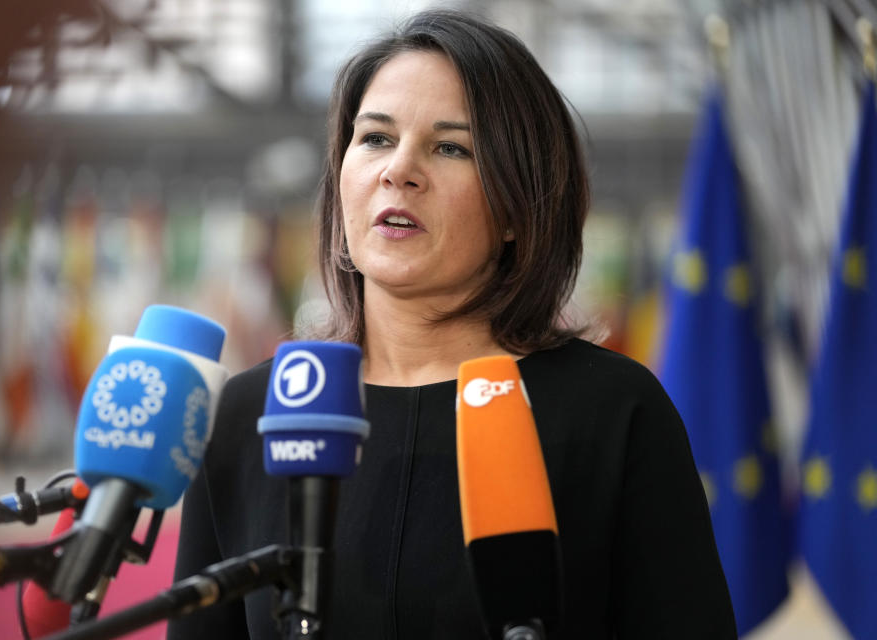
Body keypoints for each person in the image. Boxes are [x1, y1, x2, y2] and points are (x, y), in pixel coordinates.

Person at [169, 9, 736, 639]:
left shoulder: (615, 413)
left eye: (450, 147)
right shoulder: (254, 412)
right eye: (376, 138)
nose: (398, 170)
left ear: (519, 206)